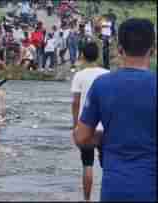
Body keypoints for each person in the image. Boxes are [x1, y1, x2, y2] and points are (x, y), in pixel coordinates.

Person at [75, 18, 156, 201]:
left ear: (119, 49)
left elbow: (81, 137)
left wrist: (105, 135)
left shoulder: (102, 85)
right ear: (153, 49)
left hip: (115, 189)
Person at [71, 41, 109, 201]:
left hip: (86, 126)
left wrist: (75, 125)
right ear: (98, 56)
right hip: (105, 127)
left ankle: (87, 200)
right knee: (108, 167)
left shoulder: (79, 75)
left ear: (83, 56)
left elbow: (76, 103)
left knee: (87, 165)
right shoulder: (107, 74)